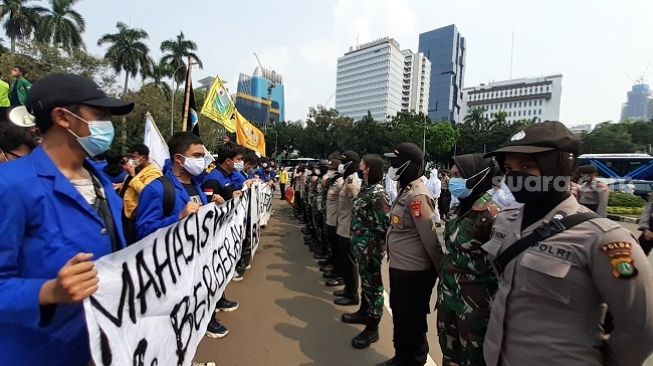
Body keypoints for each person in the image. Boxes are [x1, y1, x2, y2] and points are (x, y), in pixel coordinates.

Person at [482, 121, 653, 366]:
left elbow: (640, 326)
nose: (514, 177)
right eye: (509, 168)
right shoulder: (504, 222)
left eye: (527, 166)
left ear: (558, 167)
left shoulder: (603, 238)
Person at [0, 73, 133, 365]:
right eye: (99, 115)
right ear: (62, 117)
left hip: (97, 346)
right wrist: (50, 291)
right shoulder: (11, 185)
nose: (107, 125)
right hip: (37, 353)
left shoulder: (103, 185)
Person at [436, 154, 502, 366]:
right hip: (448, 299)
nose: (451, 181)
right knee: (449, 355)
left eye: (458, 176)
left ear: (477, 177)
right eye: (451, 175)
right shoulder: (457, 209)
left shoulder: (492, 215)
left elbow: (502, 269)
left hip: (475, 310)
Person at [380, 143, 441, 366]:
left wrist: (439, 272)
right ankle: (402, 356)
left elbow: (430, 240)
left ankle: (414, 359)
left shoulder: (418, 195)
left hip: (414, 273)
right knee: (401, 316)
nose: (391, 167)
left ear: (410, 166)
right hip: (400, 268)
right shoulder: (406, 190)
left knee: (412, 319)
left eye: (396, 163)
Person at [343, 154, 390, 349]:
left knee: (374, 287)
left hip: (370, 249)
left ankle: (372, 329)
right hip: (361, 247)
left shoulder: (378, 193)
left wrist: (375, 248)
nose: (358, 166)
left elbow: (384, 224)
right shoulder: (366, 188)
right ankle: (364, 311)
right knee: (366, 283)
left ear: (368, 168)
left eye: (361, 164)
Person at [201, 142, 246, 338]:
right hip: (212, 237)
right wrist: (228, 199)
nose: (240, 163)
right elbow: (209, 210)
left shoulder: (227, 176)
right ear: (229, 160)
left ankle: (220, 298)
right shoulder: (213, 179)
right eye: (238, 160)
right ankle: (209, 316)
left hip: (224, 234)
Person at [334, 150, 362, 306]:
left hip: (349, 227)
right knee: (344, 260)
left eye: (344, 162)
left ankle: (352, 294)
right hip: (342, 225)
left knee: (350, 262)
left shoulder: (353, 181)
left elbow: (356, 205)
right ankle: (347, 288)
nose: (341, 165)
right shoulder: (347, 179)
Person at [121, 144, 162, 242]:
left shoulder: (153, 172)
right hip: (128, 213)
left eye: (133, 157)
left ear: (143, 158)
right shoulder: (139, 169)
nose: (131, 160)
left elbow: (147, 192)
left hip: (138, 215)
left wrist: (133, 176)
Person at [324, 159, 345, 288]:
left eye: (331, 168)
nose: (329, 170)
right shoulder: (334, 182)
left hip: (337, 222)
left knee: (338, 250)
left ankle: (339, 274)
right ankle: (334, 268)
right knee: (333, 247)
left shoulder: (342, 182)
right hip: (331, 219)